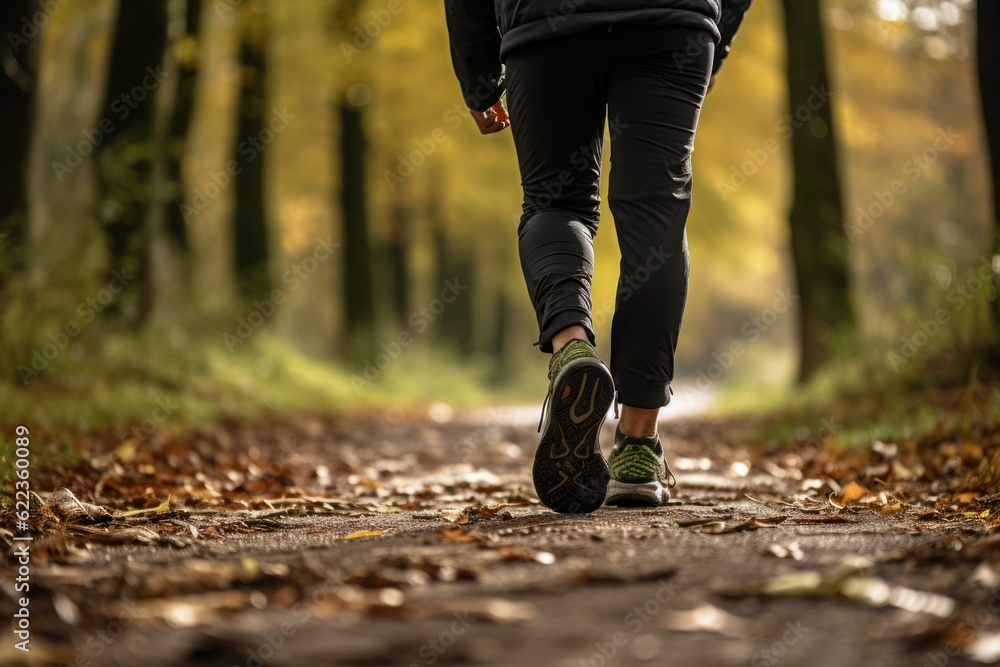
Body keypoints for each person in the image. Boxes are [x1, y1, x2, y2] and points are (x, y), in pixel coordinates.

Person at [445, 0, 752, 514]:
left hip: (544, 27)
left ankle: (572, 346)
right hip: (671, 26)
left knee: (553, 203)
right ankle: (636, 449)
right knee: (657, 217)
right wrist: (716, 40)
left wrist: (478, 75)